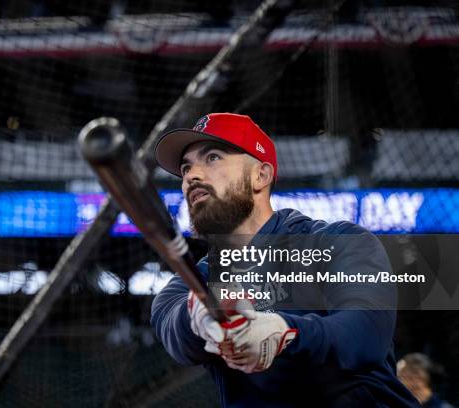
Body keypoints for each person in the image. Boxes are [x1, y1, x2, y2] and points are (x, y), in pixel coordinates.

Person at [150, 113, 420, 407]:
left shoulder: (338, 242)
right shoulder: (190, 284)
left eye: (213, 158)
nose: (192, 175)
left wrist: (285, 332)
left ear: (261, 176)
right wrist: (197, 317)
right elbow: (174, 332)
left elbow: (366, 332)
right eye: (186, 167)